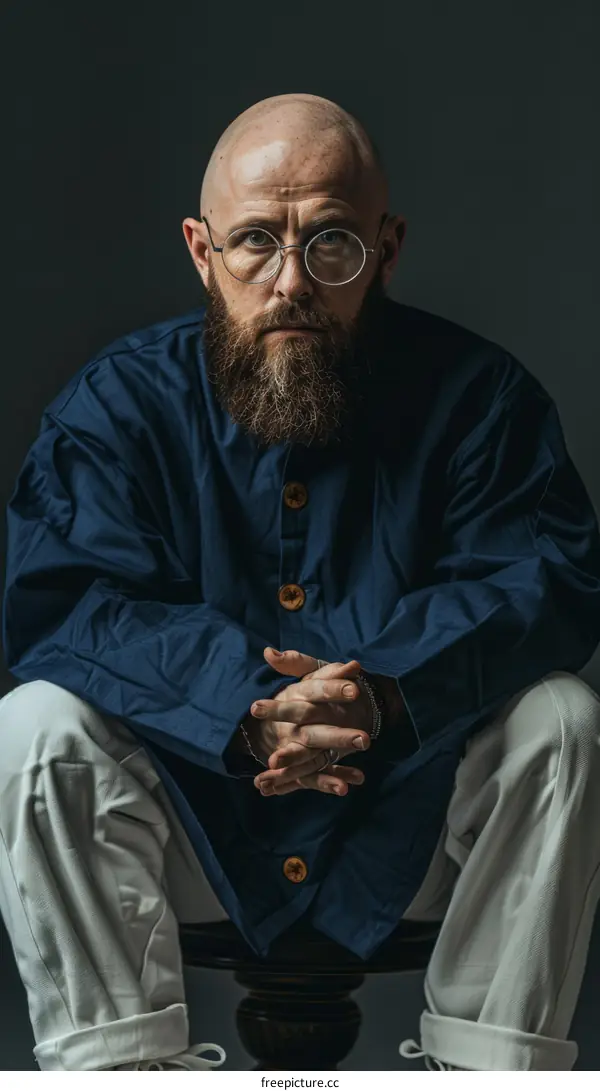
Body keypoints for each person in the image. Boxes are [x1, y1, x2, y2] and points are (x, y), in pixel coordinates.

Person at [2, 92, 600, 1073]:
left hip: (412, 828)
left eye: (331, 244)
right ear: (202, 251)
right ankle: (116, 1072)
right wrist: (241, 702)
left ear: (387, 246)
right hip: (194, 835)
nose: (291, 283)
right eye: (253, 244)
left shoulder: (482, 396)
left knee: (565, 718)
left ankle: (495, 1071)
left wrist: (387, 692)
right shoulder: (116, 405)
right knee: (32, 726)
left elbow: (547, 582)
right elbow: (62, 602)